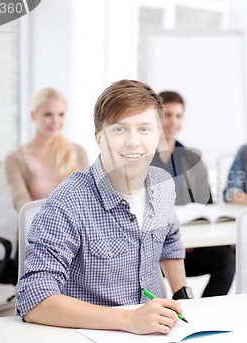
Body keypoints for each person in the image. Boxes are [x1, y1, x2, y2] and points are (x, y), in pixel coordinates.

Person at [15, 80, 191, 335]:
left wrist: (181, 293)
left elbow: (170, 241)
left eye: (144, 129)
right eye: (119, 130)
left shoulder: (163, 185)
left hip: (156, 333)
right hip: (92, 333)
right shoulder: (69, 201)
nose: (133, 142)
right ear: (99, 137)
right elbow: (33, 299)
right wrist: (130, 320)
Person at [151, 91, 235, 297]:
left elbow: (206, 205)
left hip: (192, 245)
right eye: (167, 115)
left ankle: (202, 312)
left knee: (227, 258)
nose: (173, 121)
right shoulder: (142, 158)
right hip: (156, 248)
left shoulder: (191, 159)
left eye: (178, 116)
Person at [4, 88, 89, 212]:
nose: (56, 121)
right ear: (33, 115)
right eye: (48, 114)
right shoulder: (15, 159)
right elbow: (21, 204)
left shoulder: (79, 152)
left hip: (75, 228)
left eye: (61, 114)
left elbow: (88, 198)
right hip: (38, 227)